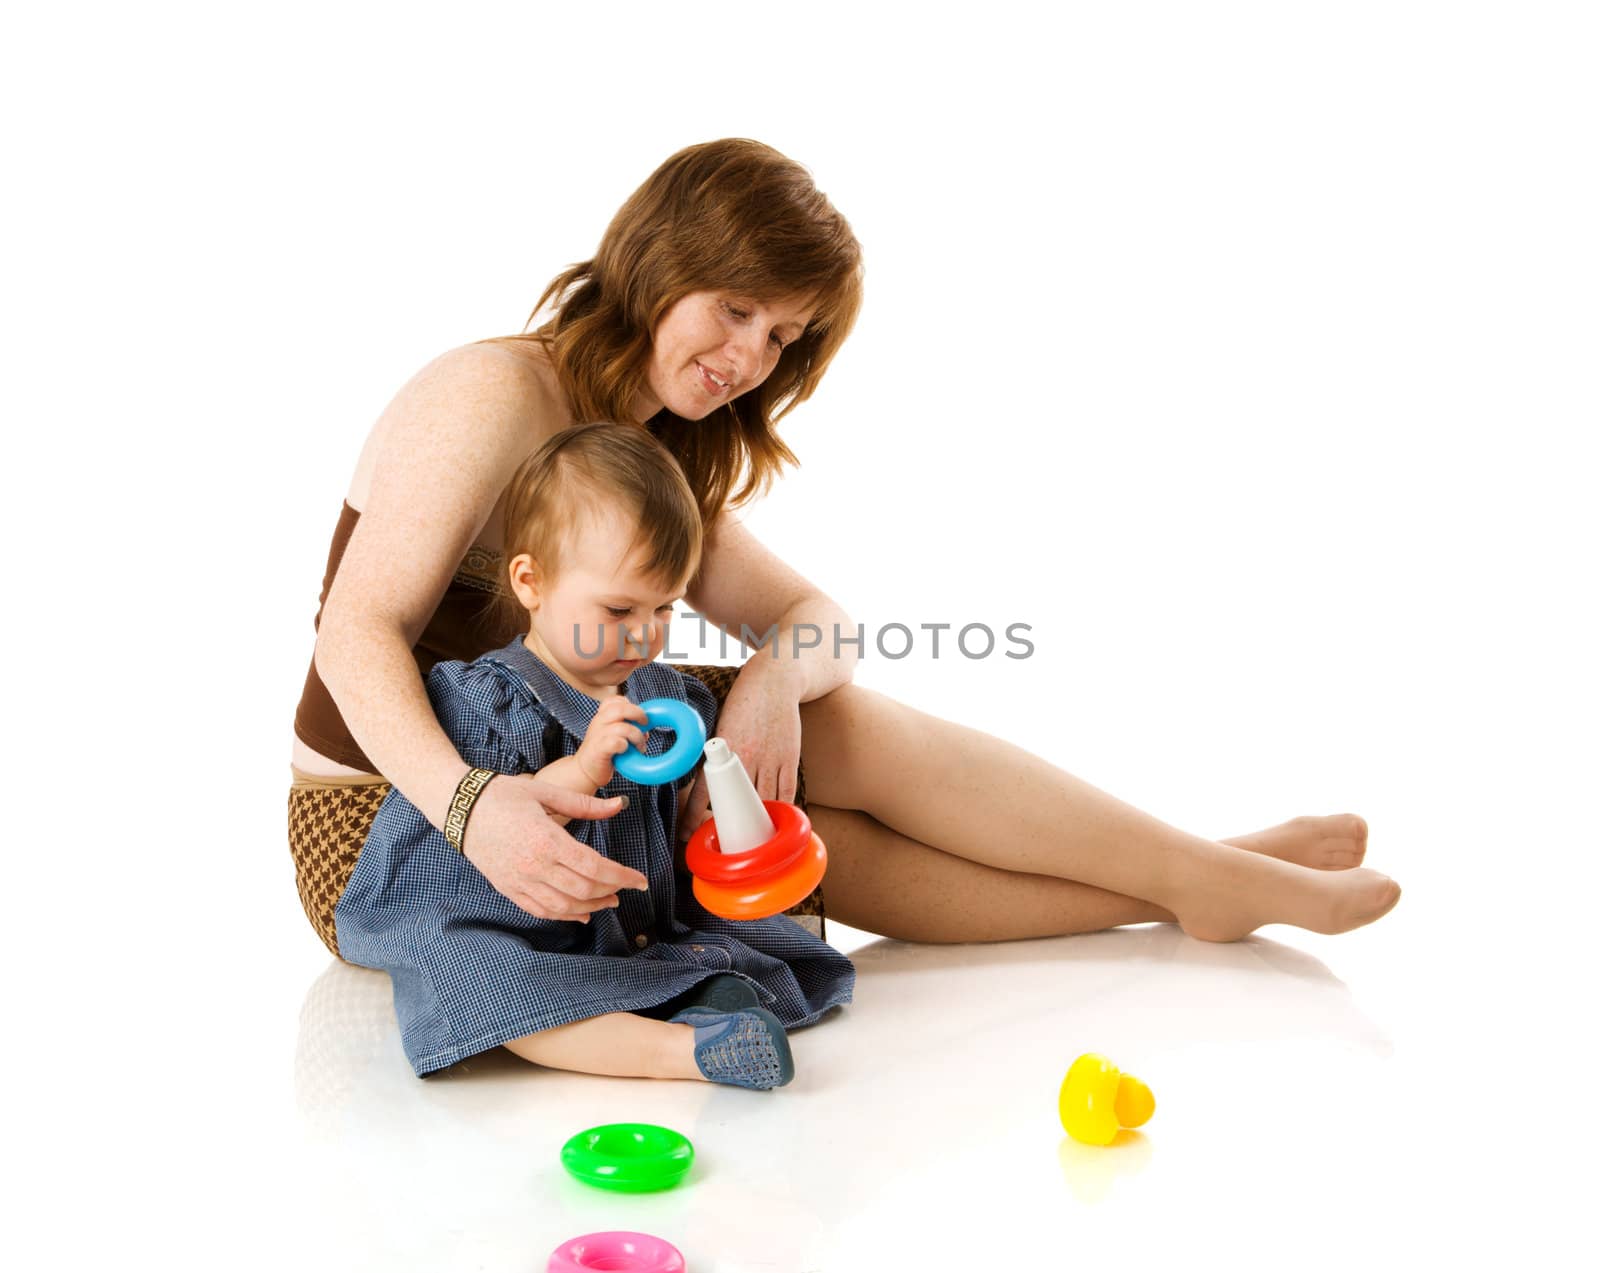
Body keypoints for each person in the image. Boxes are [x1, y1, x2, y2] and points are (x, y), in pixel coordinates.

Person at [289, 137, 1399, 1004]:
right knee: (814, 783)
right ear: (657, 261)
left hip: (568, 781)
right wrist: (476, 808)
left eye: (782, 337)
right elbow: (353, 632)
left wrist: (773, 676)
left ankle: (1197, 877)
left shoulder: (649, 454)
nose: (748, 360)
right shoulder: (492, 393)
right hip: (386, 822)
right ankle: (1203, 874)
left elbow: (819, 619)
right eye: (734, 309)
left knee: (817, 780)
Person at [335, 422, 853, 1085]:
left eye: (665, 606)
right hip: (503, 923)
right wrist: (585, 767)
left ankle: (711, 1011)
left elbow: (680, 817)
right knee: (489, 981)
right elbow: (515, 817)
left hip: (625, 929)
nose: (645, 633)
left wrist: (708, 812)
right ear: (531, 581)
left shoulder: (667, 698)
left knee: (710, 948)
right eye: (618, 608)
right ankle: (685, 1056)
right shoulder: (490, 699)